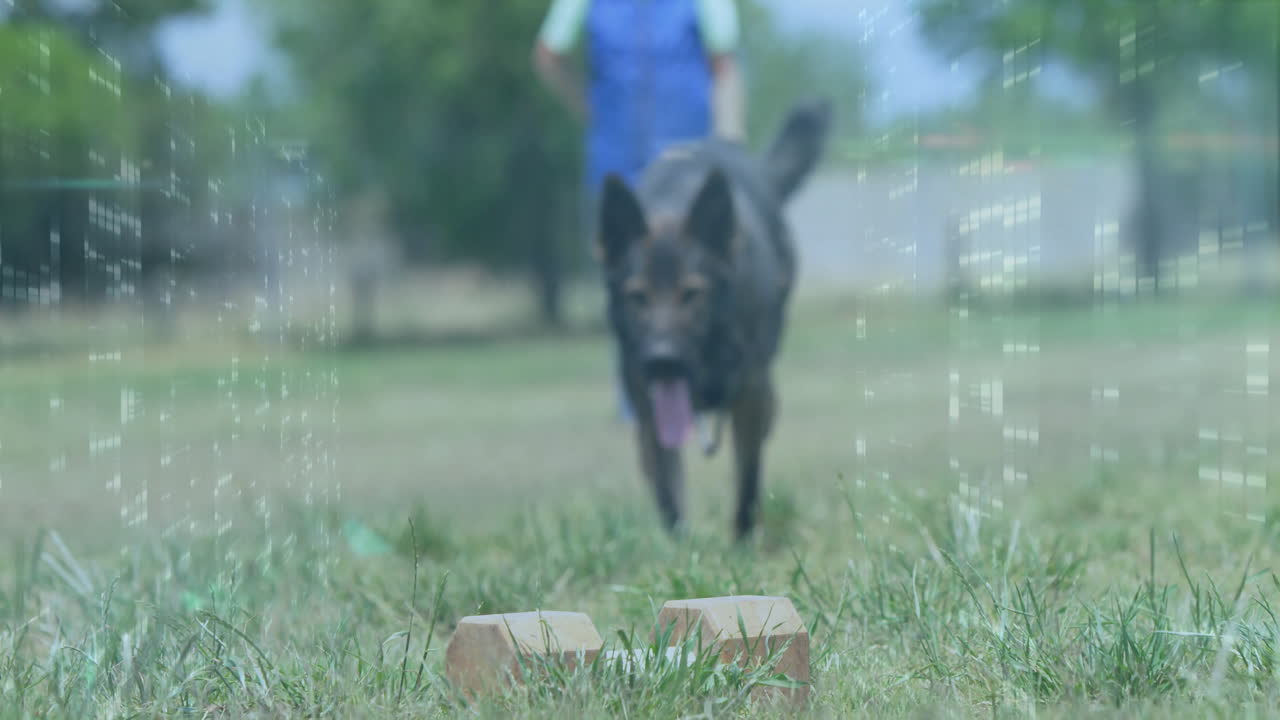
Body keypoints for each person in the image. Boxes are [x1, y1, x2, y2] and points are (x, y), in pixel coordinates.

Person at [532, 0, 746, 420]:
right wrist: (591, 108)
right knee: (630, 286)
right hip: (626, 166)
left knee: (685, 285)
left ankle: (690, 393)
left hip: (683, 163)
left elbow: (725, 67)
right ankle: (639, 401)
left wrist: (729, 142)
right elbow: (548, 55)